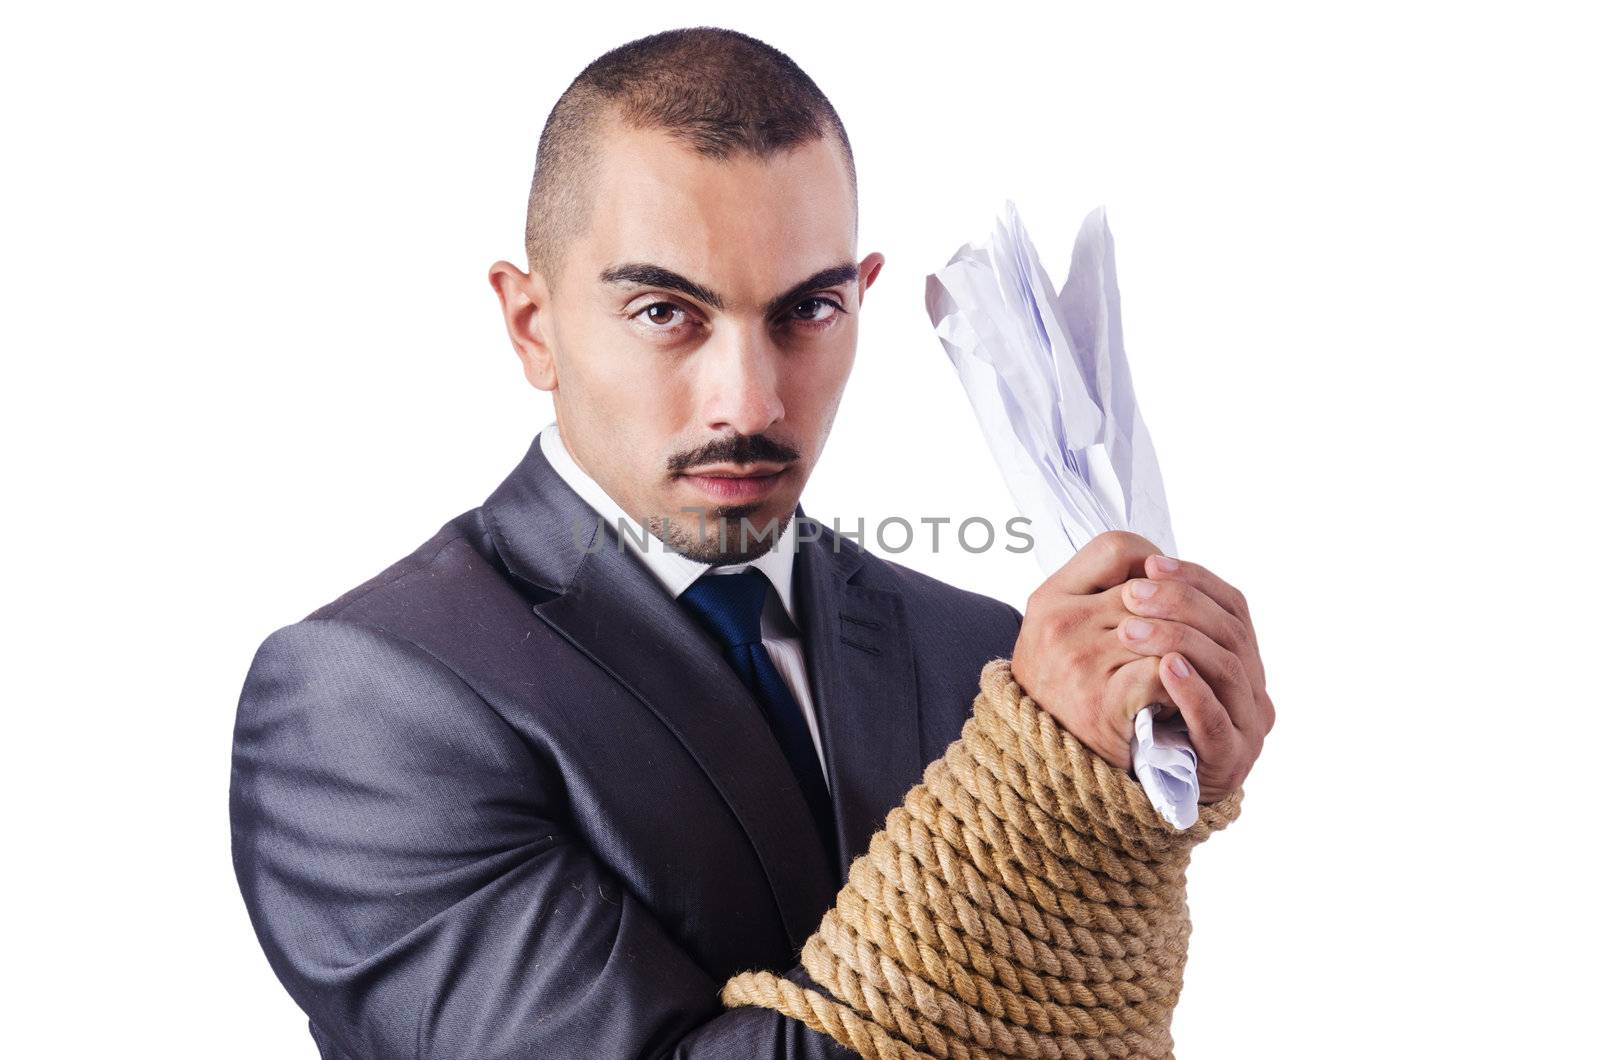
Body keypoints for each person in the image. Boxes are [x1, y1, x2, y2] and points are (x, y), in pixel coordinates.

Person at [229, 25, 1273, 1059]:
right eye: (663, 312)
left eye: (806, 309)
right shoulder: (362, 699)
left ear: (862, 293)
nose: (751, 399)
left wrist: (1142, 789)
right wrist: (1033, 795)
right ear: (532, 324)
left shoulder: (977, 650)